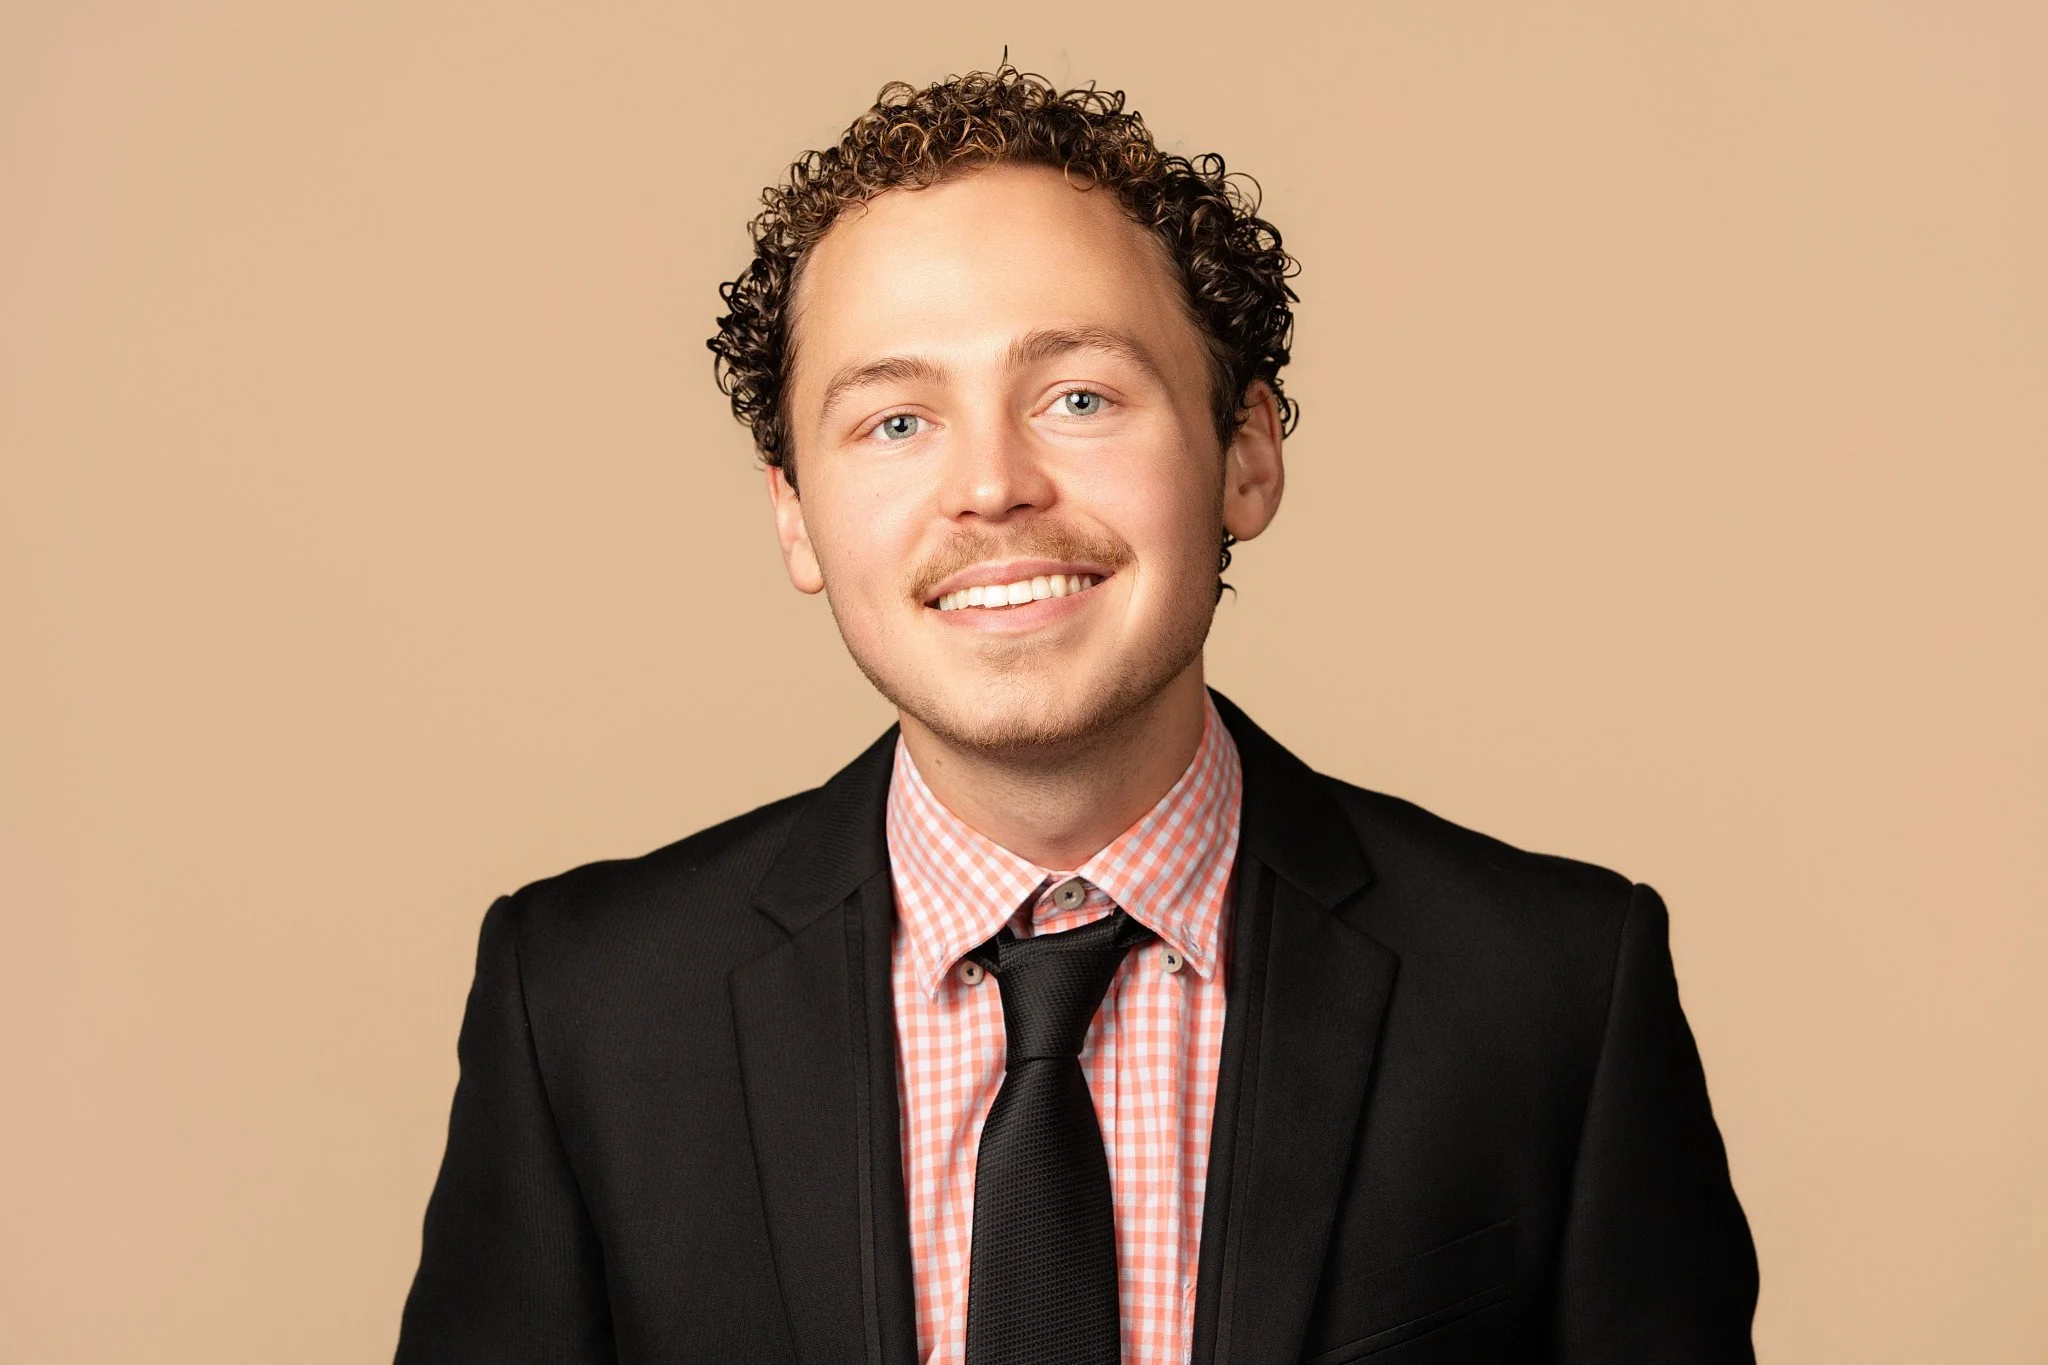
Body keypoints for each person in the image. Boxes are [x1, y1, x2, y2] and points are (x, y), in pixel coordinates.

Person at [395, 66, 1757, 1365]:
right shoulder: (585, 1008)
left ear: (1247, 453)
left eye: (1081, 396)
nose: (992, 486)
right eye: (894, 422)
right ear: (793, 513)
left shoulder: (1552, 995)